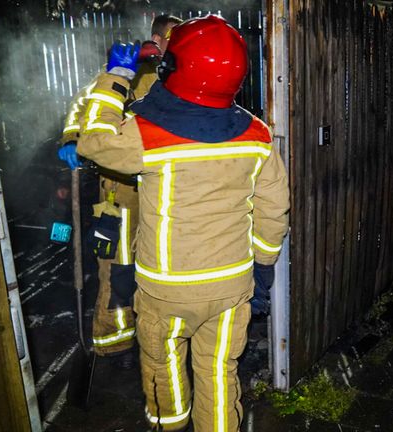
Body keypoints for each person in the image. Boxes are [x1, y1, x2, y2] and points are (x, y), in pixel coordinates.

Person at [75, 15, 289, 432]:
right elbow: (273, 211)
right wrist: (262, 269)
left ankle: (169, 426)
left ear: (174, 68)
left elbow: (93, 140)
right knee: (219, 375)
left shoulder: (146, 133)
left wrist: (116, 75)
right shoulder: (258, 135)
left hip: (167, 289)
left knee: (163, 370)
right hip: (231, 288)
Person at [57, 15, 182, 369]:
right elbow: (85, 103)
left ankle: (155, 330)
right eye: (172, 37)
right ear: (156, 38)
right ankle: (112, 342)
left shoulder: (181, 75)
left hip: (161, 182)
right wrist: (71, 137)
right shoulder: (132, 69)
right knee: (118, 263)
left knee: (157, 259)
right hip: (120, 185)